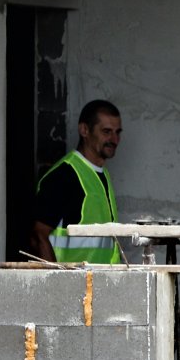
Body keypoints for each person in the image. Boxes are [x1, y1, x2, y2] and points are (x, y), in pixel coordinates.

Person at [31, 100, 124, 264]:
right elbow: (39, 235)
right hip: (74, 285)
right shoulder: (64, 175)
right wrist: (55, 282)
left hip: (100, 284)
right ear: (84, 130)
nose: (114, 139)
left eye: (117, 132)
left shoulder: (101, 174)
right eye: (106, 131)